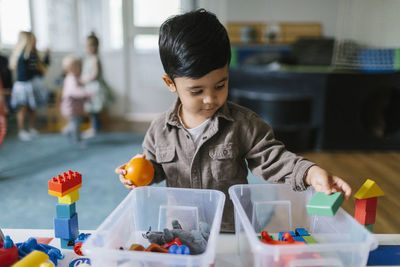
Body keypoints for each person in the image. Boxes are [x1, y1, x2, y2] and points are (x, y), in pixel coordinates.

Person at [115, 9, 352, 232]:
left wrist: (311, 173)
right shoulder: (159, 130)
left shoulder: (243, 123)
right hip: (182, 230)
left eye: (220, 85)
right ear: (170, 84)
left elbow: (273, 158)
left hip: (232, 228)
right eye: (196, 91)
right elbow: (154, 170)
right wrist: (137, 173)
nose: (210, 99)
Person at [9, 31, 50, 141]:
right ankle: (21, 131)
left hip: (30, 84)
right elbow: (32, 71)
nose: (35, 42)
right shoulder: (24, 56)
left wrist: (47, 57)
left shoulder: (33, 55)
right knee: (22, 109)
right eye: (32, 40)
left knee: (32, 108)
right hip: (23, 86)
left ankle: (32, 128)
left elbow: (42, 69)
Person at [81, 32, 112, 139]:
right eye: (86, 46)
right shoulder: (88, 58)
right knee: (92, 110)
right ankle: (95, 127)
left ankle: (95, 128)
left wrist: (84, 80)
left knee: (94, 110)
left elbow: (95, 74)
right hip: (90, 87)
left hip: (95, 88)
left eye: (90, 46)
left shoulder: (94, 59)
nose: (87, 48)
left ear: (95, 47)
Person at [61, 55, 91, 147]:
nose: (80, 68)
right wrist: (86, 94)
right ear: (71, 68)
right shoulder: (71, 79)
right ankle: (77, 140)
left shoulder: (75, 78)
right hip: (71, 108)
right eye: (78, 66)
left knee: (75, 123)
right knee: (76, 124)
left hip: (76, 108)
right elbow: (74, 91)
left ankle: (67, 131)